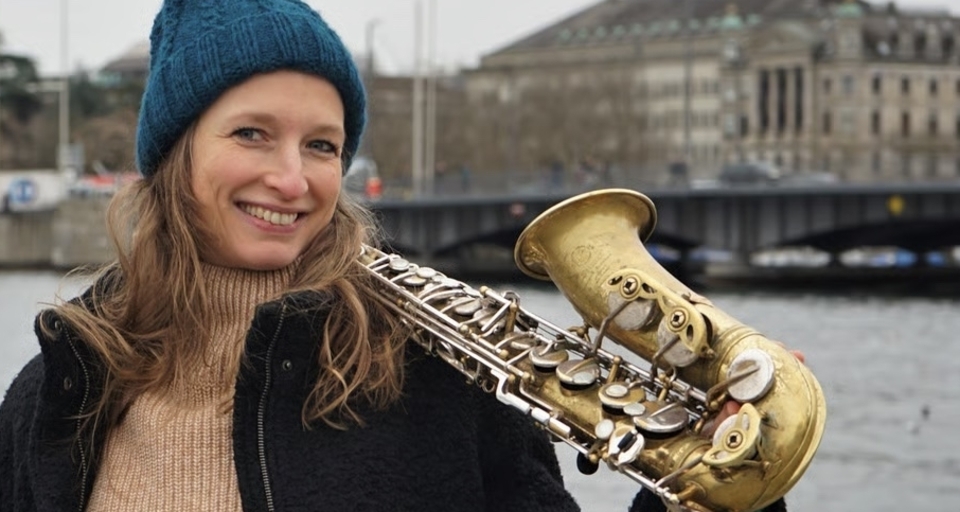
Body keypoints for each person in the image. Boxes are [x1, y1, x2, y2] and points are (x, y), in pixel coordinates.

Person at [0, 1, 792, 511]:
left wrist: (718, 488)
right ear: (174, 154)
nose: (291, 177)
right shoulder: (59, 384)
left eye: (322, 145)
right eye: (251, 133)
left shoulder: (444, 372)